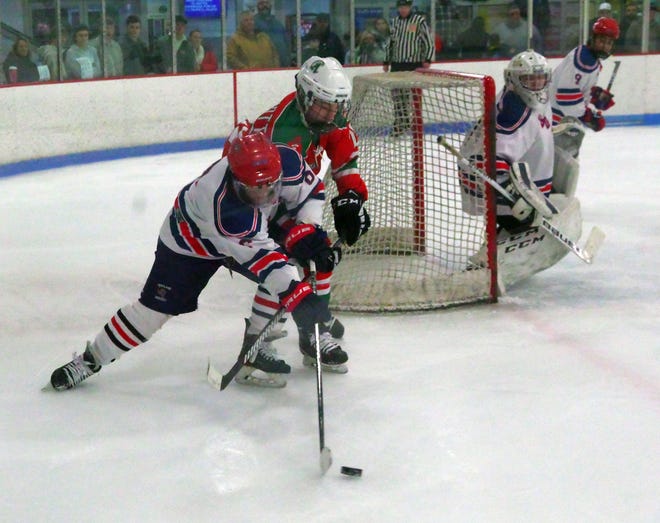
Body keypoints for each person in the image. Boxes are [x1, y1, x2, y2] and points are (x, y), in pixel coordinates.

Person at [49, 132, 345, 391]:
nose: (265, 196)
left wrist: (308, 229)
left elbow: (311, 191)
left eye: (270, 188)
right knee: (152, 313)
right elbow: (267, 262)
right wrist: (300, 299)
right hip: (189, 246)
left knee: (291, 264)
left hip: (249, 236)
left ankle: (256, 348)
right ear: (237, 181)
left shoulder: (286, 161)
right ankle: (91, 360)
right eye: (254, 190)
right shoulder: (221, 205)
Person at [223, 56, 370, 369]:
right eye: (324, 106)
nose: (331, 114)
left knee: (321, 254)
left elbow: (345, 163)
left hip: (297, 195)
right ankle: (256, 342)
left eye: (336, 107)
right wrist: (294, 234)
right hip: (256, 204)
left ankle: (314, 330)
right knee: (285, 265)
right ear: (304, 96)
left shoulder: (329, 116)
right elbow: (263, 196)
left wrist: (352, 198)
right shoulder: (278, 131)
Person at [549, 18, 620, 134]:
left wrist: (595, 95)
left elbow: (577, 87)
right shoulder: (584, 60)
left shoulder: (589, 57)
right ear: (593, 38)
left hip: (560, 119)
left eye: (609, 43)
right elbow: (566, 98)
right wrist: (588, 116)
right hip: (556, 122)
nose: (604, 46)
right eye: (602, 40)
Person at [383, 0, 434, 136]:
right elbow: (390, 42)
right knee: (397, 96)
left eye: (406, 7)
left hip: (413, 64)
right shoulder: (394, 22)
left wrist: (427, 58)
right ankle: (400, 123)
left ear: (410, 7)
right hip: (397, 64)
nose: (403, 9)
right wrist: (386, 60)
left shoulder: (418, 21)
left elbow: (428, 41)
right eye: (401, 7)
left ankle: (414, 124)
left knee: (412, 96)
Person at [254, 0, 291, 67]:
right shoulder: (253, 24)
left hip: (282, 65)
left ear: (271, 5)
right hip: (264, 67)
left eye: (267, 3)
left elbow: (286, 42)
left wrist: (288, 59)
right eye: (261, 3)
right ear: (257, 6)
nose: (264, 5)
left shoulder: (278, 24)